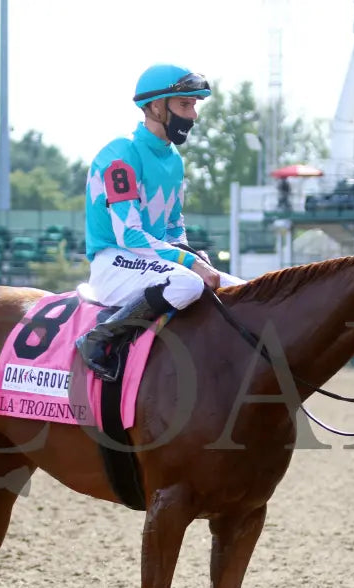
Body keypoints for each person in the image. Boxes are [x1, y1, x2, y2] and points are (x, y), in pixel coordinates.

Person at [76, 63, 243, 379]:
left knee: (243, 288)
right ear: (154, 106)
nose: (193, 115)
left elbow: (172, 226)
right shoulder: (121, 154)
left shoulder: (173, 160)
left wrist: (189, 253)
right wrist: (189, 263)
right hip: (113, 263)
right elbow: (130, 237)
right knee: (189, 281)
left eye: (194, 105)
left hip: (149, 261)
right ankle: (100, 339)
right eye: (184, 104)